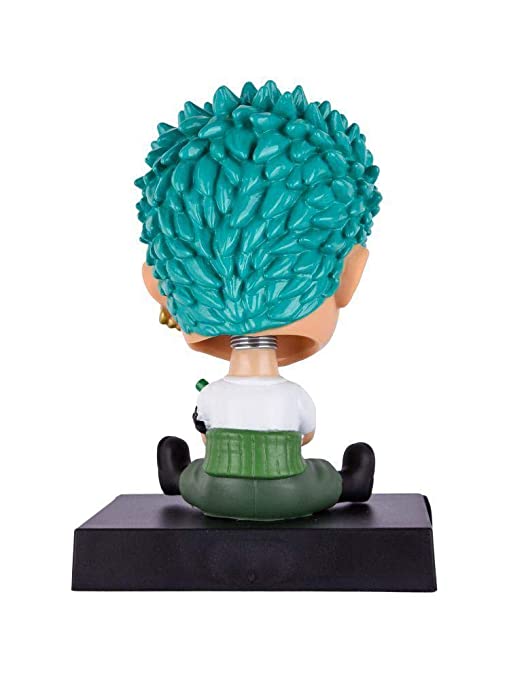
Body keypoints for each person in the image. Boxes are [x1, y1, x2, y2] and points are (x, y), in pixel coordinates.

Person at [136, 80, 382, 519]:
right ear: (350, 274)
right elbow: (306, 436)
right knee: (319, 478)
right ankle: (349, 483)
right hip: (291, 490)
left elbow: (206, 432)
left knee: (198, 478)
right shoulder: (293, 396)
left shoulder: (213, 394)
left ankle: (180, 477)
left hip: (214, 490)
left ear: (157, 284)